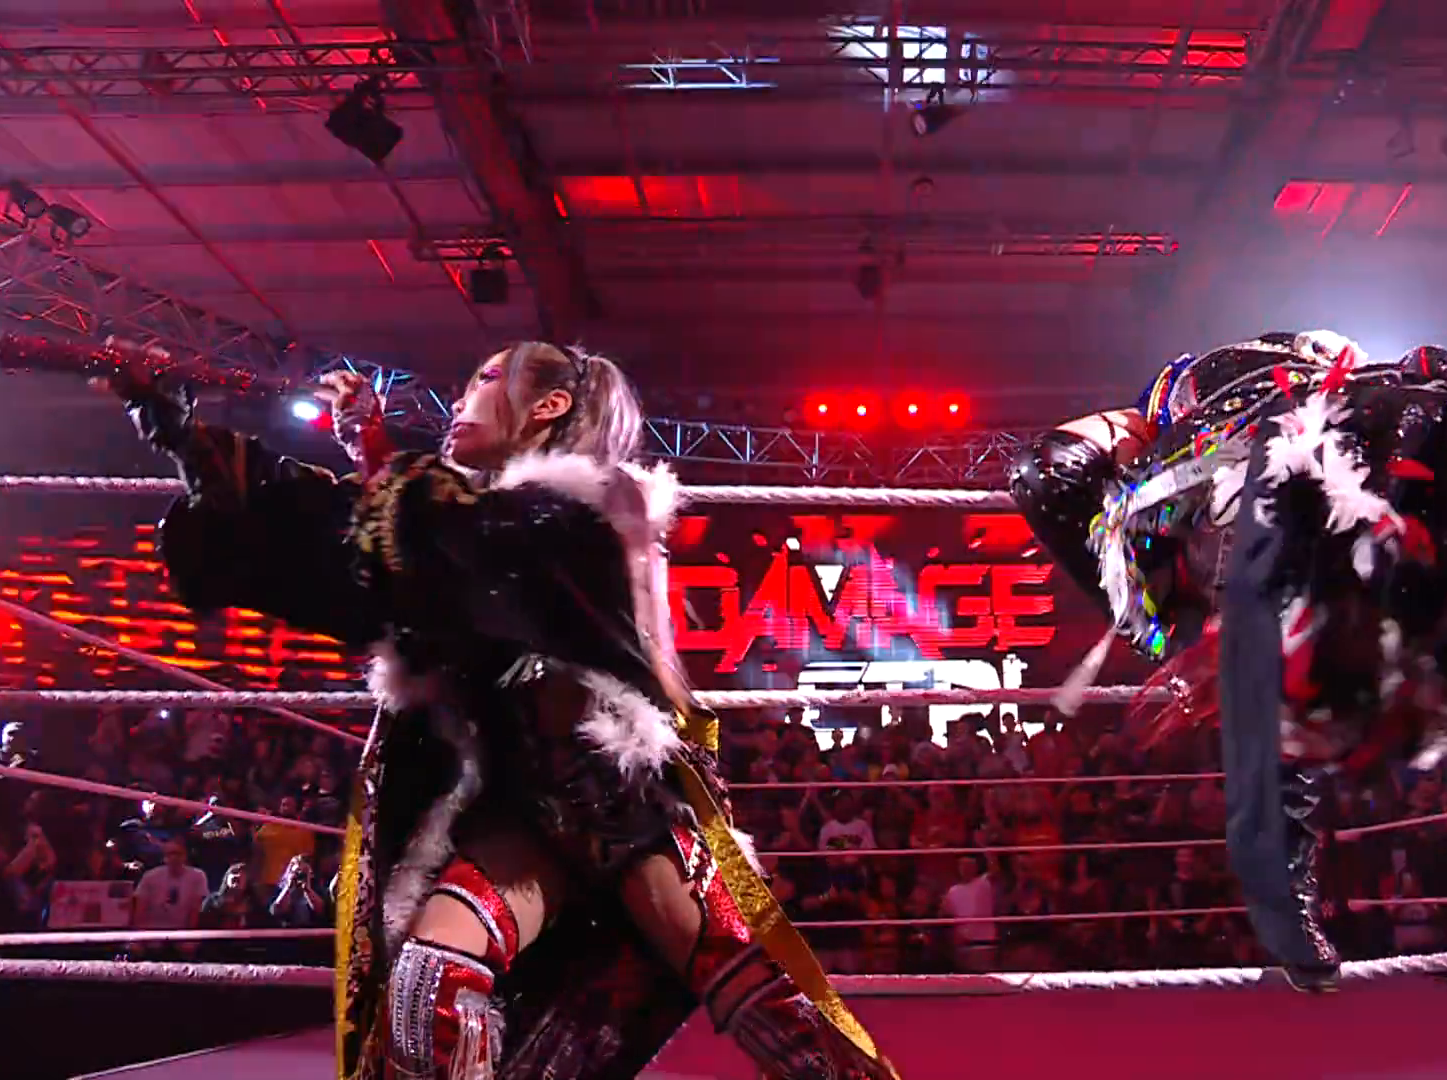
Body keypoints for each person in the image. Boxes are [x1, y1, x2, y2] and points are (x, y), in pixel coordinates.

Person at [102, 341, 893, 1080]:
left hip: (620, 800)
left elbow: (465, 543)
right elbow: (359, 545)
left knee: (758, 995)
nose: (459, 400)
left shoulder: (586, 504)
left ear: (547, 406)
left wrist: (375, 454)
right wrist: (179, 427)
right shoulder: (471, 518)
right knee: (428, 980)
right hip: (523, 810)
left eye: (484, 381)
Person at [1009, 331, 1447, 991]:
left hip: (1313, 480)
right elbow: (1050, 469)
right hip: (1276, 509)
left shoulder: (1309, 385)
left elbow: (1051, 469)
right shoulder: (1182, 425)